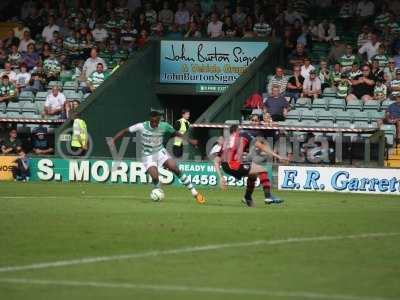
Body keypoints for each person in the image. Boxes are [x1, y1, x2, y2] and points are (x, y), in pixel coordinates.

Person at [109, 110, 205, 204]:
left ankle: (194, 192)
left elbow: (176, 133)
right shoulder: (141, 126)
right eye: (153, 121)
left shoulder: (164, 126)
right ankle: (158, 190)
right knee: (155, 177)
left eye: (156, 121)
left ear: (159, 120)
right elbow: (125, 130)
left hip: (160, 152)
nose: (155, 123)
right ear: (150, 120)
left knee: (174, 167)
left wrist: (190, 141)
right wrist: (113, 140)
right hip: (147, 156)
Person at [210, 124, 285, 207]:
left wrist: (221, 177)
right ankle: (268, 197)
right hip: (233, 165)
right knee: (262, 170)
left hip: (226, 167)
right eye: (240, 128)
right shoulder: (243, 134)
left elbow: (216, 160)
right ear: (237, 130)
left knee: (253, 174)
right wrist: (277, 156)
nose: (242, 129)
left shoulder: (226, 141)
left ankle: (247, 197)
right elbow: (261, 146)